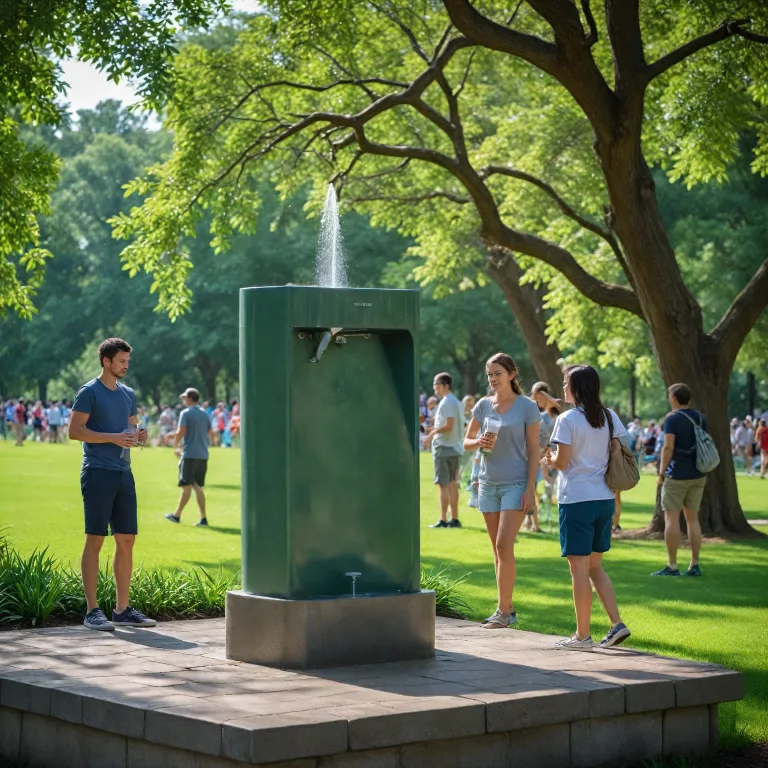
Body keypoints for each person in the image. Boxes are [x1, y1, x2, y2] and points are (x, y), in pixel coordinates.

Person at [68, 338, 155, 631]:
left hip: (123, 473)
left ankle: (122, 610)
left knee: (127, 539)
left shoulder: (128, 394)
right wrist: (113, 437)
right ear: (106, 361)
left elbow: (130, 428)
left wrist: (138, 436)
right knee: (95, 539)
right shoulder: (89, 392)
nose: (126, 366)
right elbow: (74, 431)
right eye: (121, 361)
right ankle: (92, 611)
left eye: (128, 361)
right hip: (97, 472)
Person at [543, 364, 631, 650]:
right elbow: (618, 448)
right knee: (594, 567)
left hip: (576, 499)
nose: (563, 387)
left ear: (577, 387)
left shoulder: (567, 419)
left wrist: (549, 459)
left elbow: (561, 462)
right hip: (604, 498)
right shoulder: (609, 416)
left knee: (579, 570)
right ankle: (616, 623)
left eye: (566, 382)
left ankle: (582, 636)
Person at [463, 353, 540, 629]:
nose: (493, 379)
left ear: (511, 374)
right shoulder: (483, 405)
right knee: (498, 552)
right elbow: (466, 440)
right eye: (490, 374)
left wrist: (530, 488)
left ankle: (503, 613)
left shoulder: (527, 407)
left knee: (504, 546)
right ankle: (507, 607)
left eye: (498, 373)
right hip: (487, 483)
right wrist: (478, 442)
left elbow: (534, 451)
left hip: (515, 484)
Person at [652, 383, 710, 578]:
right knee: (692, 519)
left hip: (676, 474)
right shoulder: (700, 417)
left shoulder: (672, 419)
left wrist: (661, 473)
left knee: (672, 519)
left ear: (674, 399)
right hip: (698, 474)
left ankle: (672, 565)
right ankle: (694, 564)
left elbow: (668, 447)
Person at [165, 387, 215, 526]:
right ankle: (181, 516)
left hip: (190, 454)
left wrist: (175, 446)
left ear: (190, 398)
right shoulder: (205, 414)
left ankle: (181, 516)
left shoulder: (185, 413)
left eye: (184, 397)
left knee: (191, 485)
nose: (183, 400)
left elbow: (181, 431)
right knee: (192, 485)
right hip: (202, 454)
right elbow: (211, 432)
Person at [424, 373, 464, 529]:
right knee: (453, 484)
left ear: (446, 385)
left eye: (437, 384)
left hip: (444, 447)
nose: (434, 387)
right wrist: (433, 428)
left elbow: (449, 425)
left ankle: (442, 519)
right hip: (454, 448)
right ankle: (454, 518)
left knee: (443, 484)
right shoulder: (457, 402)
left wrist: (432, 434)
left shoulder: (447, 402)